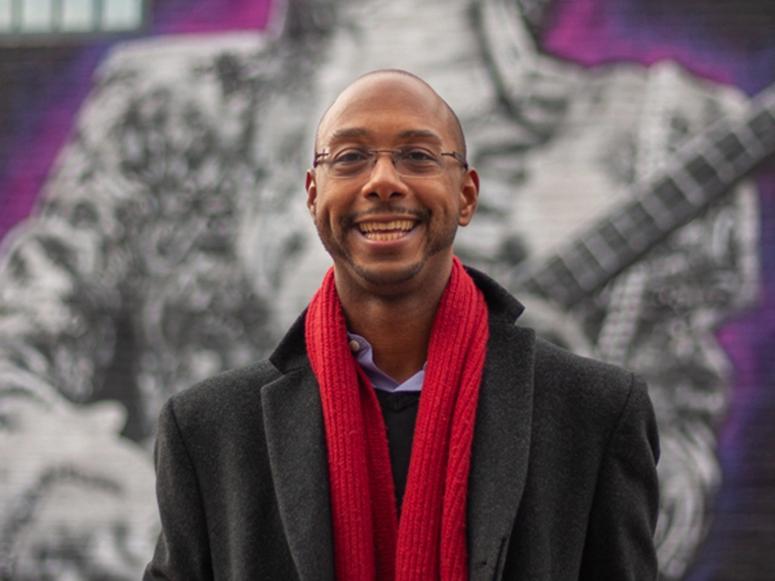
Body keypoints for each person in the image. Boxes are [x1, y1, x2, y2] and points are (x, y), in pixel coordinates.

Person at [144, 69, 660, 580]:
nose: (383, 182)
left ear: (466, 195)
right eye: (349, 158)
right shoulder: (209, 433)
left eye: (417, 156)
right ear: (312, 196)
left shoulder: (594, 415)